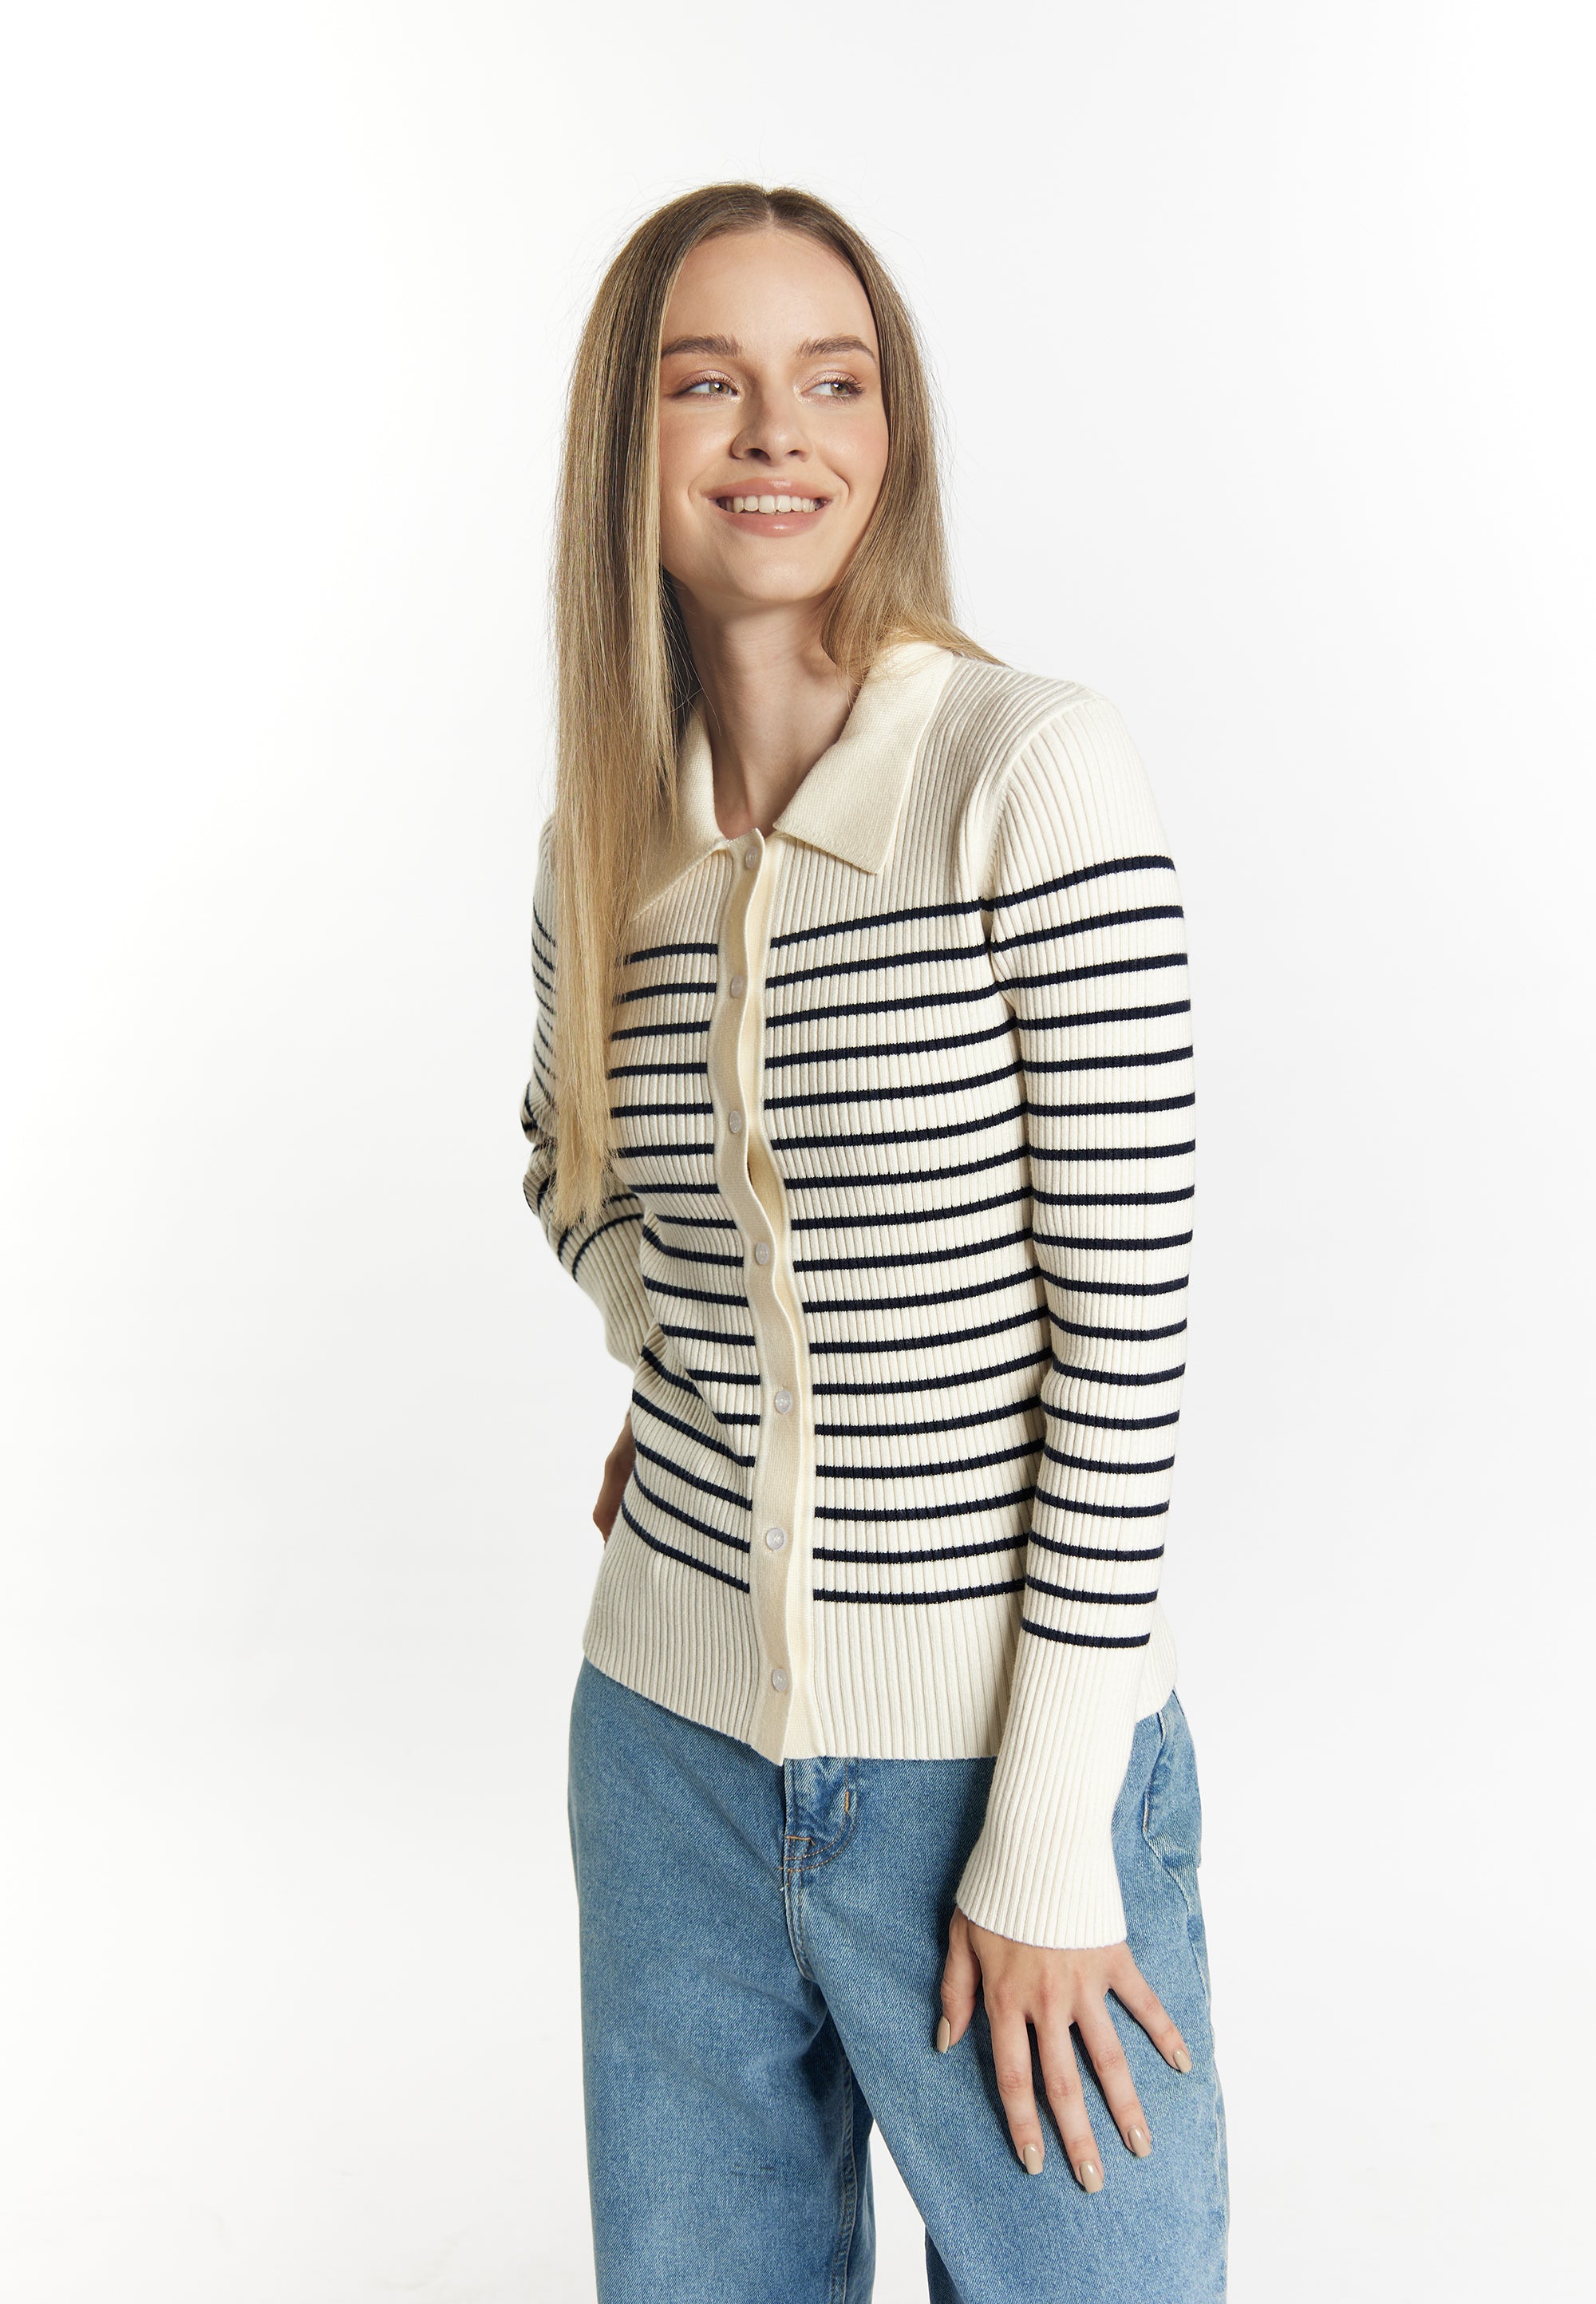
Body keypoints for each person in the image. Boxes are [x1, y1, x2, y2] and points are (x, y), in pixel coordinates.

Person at [520, 180, 1227, 2304]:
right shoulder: (606, 832)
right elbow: (573, 1171)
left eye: (834, 383)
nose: (777, 434)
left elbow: (1123, 1334)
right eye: (708, 383)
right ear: (628, 443)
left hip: (993, 1761)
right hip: (669, 1756)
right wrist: (706, 1364)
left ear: (890, 433)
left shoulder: (1027, 773)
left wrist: (1048, 1839)